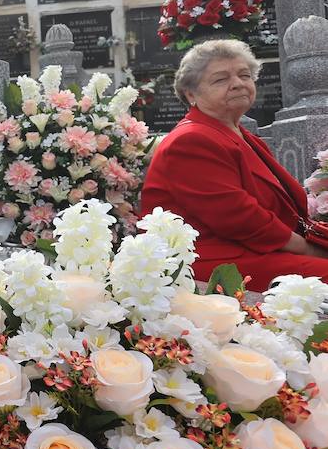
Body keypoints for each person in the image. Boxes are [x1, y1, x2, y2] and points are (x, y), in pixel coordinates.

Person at [140, 38, 328, 290]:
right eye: (221, 79)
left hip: (254, 250)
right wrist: (309, 250)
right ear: (191, 94)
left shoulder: (242, 136)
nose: (238, 84)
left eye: (245, 75)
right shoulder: (190, 140)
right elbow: (239, 217)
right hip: (217, 263)